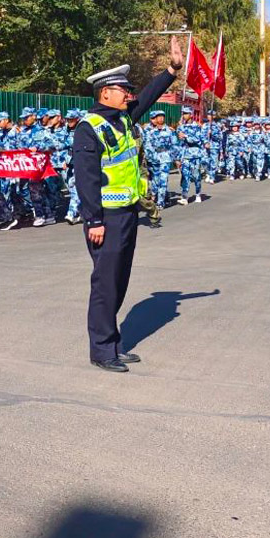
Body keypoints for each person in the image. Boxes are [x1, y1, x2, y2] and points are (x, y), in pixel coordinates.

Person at [73, 37, 182, 373]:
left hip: (128, 213)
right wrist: (93, 221)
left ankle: (114, 342)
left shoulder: (122, 120)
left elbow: (148, 97)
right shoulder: (88, 128)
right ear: (105, 92)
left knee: (119, 280)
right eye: (123, 90)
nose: (129, 95)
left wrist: (171, 71)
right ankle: (102, 350)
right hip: (105, 217)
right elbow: (86, 178)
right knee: (105, 284)